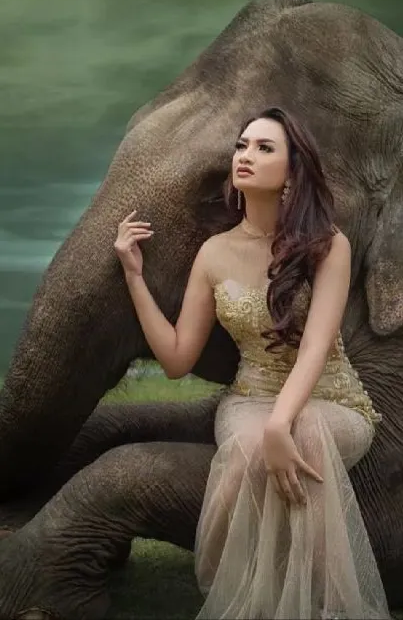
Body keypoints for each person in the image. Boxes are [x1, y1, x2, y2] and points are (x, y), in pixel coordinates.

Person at [114, 106, 390, 620]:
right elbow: (176, 360)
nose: (245, 155)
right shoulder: (214, 253)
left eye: (264, 148)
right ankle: (246, 605)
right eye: (242, 145)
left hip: (331, 398)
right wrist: (134, 276)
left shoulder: (328, 245)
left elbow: (315, 346)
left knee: (305, 434)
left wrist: (282, 422)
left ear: (293, 171)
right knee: (247, 446)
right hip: (249, 398)